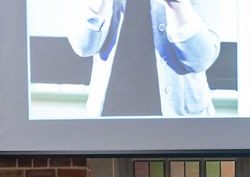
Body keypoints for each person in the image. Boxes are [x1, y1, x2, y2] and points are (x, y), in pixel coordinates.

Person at [67, 0, 221, 117]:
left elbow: (200, 59)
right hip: (110, 117)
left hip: (179, 121)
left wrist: (178, 6)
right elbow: (83, 47)